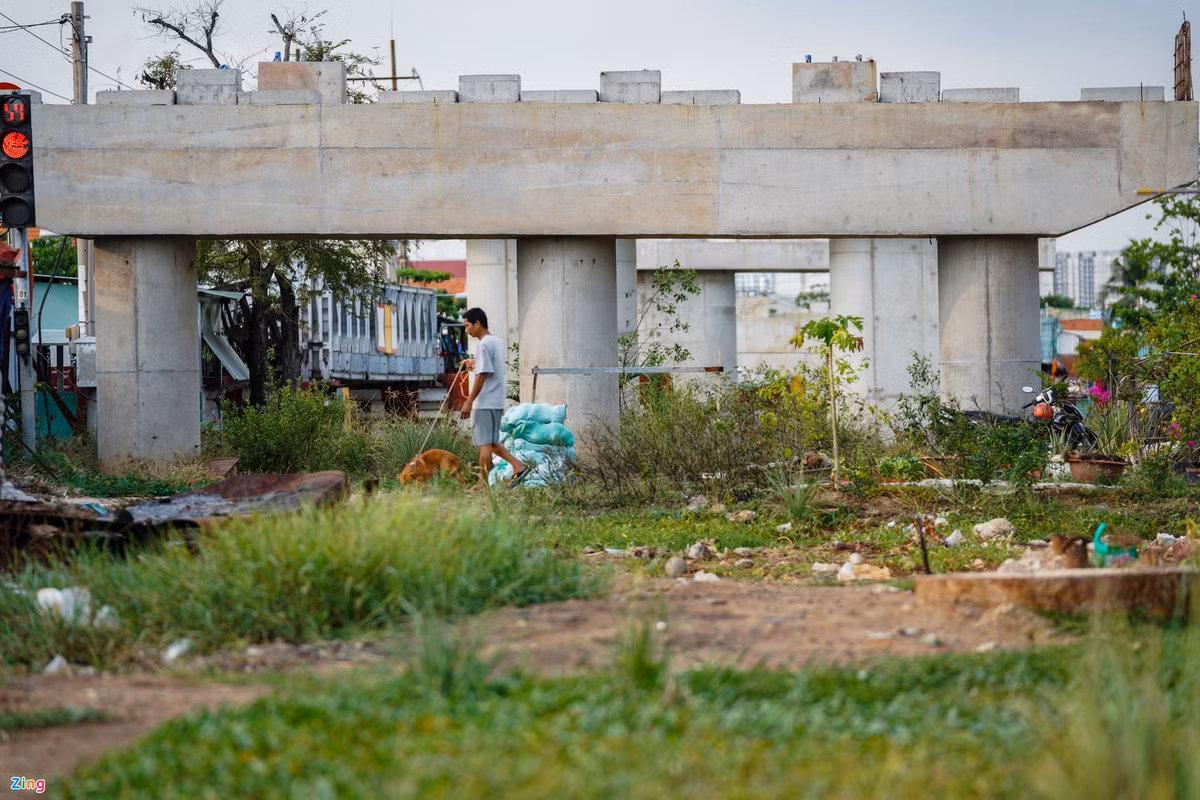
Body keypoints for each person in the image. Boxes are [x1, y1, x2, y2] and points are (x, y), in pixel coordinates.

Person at [460, 307, 528, 488]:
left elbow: (482, 375)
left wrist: (469, 401)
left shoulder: (483, 344)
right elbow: (488, 368)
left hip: (485, 401)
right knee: (490, 442)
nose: (466, 330)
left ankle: (482, 483)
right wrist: (475, 364)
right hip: (495, 400)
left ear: (477, 323)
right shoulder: (495, 341)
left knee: (484, 443)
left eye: (467, 325)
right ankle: (518, 465)